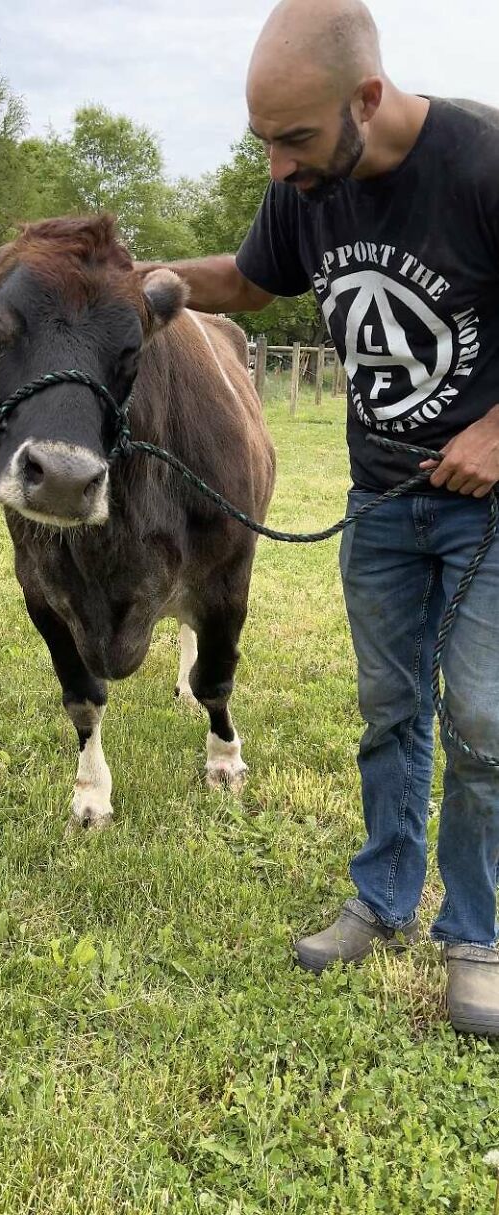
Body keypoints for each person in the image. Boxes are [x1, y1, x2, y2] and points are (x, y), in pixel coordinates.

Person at [137, 0, 499, 1036]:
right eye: (262, 141)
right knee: (389, 711)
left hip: (485, 513)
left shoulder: (478, 166)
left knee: (480, 723)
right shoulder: (303, 189)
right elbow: (248, 285)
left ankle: (474, 933)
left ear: (368, 100)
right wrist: (137, 279)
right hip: (378, 505)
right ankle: (382, 900)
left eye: (294, 139)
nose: (277, 168)